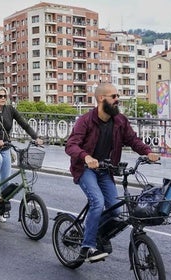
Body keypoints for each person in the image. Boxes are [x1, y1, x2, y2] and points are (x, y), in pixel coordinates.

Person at [65, 83, 160, 263]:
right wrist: (86, 157)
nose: (118, 99)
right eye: (114, 96)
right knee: (97, 202)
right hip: (85, 169)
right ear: (101, 99)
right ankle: (88, 247)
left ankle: (95, 232)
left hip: (105, 170)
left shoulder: (120, 120)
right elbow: (71, 145)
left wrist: (148, 152)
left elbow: (133, 140)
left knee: (115, 211)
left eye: (118, 96)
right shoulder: (85, 121)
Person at [0, 86, 43, 221]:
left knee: (5, 181)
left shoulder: (10, 110)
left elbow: (24, 124)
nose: (3, 98)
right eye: (0, 96)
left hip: (5, 146)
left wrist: (35, 137)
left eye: (4, 96)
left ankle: (0, 209)